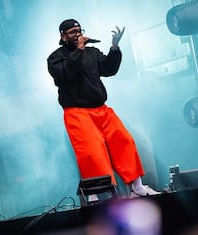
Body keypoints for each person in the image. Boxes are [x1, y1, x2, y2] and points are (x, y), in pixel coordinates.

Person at [47, 19, 159, 197]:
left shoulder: (91, 52)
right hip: (77, 112)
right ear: (62, 35)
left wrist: (114, 48)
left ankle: (137, 188)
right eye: (72, 32)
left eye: (79, 30)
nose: (77, 34)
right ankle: (97, 197)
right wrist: (79, 50)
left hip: (101, 109)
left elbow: (108, 69)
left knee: (124, 141)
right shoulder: (56, 58)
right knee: (93, 151)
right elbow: (68, 73)